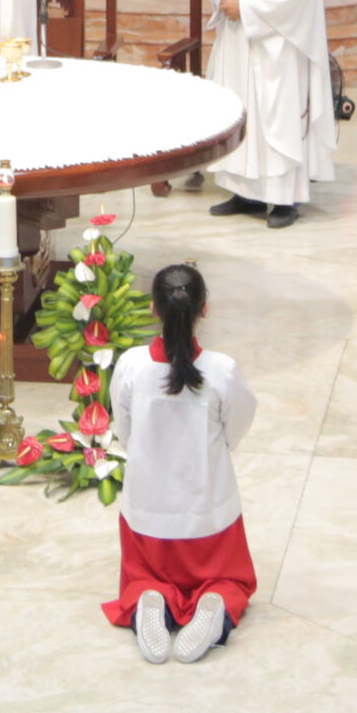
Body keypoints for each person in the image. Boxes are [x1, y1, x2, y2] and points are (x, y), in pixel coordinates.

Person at [103, 263, 258, 664]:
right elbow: (237, 427)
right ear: (205, 309)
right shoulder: (222, 370)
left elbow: (124, 430)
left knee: (144, 574)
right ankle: (216, 601)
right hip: (209, 516)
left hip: (148, 517)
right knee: (226, 578)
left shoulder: (132, 365)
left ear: (153, 309)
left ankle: (148, 596)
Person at [206, 0, 336, 228]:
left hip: (277, 45)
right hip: (237, 42)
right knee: (242, 113)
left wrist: (246, 7)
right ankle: (244, 192)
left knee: (275, 118)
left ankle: (284, 199)